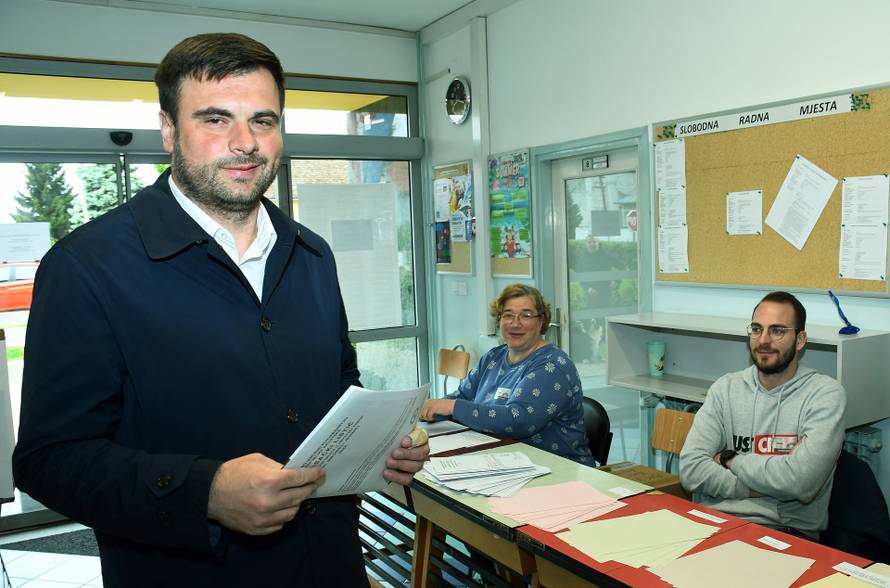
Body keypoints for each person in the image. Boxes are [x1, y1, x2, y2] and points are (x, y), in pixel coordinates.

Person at [12, 33, 428, 587]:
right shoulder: (87, 266)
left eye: (263, 120)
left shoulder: (311, 255)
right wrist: (203, 493)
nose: (244, 142)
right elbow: (49, 459)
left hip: (330, 565)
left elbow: (340, 384)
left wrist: (379, 447)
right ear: (168, 130)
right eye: (214, 120)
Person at [679, 291, 846, 540]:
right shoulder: (726, 388)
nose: (763, 340)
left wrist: (730, 460)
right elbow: (691, 469)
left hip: (784, 533)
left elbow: (801, 483)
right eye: (757, 329)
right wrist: (760, 487)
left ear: (800, 340)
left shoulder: (824, 395)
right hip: (713, 522)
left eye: (777, 330)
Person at [420, 284, 594, 465]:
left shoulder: (553, 365)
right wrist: (429, 410)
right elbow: (463, 396)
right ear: (499, 320)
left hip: (558, 470)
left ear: (541, 321)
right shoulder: (493, 357)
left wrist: (452, 407)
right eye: (508, 315)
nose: (515, 323)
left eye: (526, 315)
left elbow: (517, 420)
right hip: (503, 461)